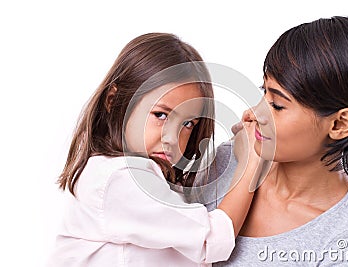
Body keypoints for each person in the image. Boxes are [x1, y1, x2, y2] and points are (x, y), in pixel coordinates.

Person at [46, 33, 266, 266]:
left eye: (187, 124)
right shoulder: (121, 177)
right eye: (161, 115)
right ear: (114, 100)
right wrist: (251, 163)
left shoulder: (147, 182)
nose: (171, 137)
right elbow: (210, 240)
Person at [205, 16, 348, 266]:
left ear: (339, 124)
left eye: (277, 105)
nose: (251, 114)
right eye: (263, 91)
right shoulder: (228, 159)